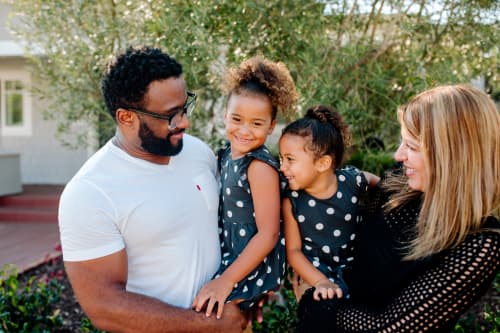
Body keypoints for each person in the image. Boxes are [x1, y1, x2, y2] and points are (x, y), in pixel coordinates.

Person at [58, 46, 247, 332]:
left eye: (186, 106)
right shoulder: (90, 193)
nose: (185, 122)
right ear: (126, 117)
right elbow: (104, 306)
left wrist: (250, 288)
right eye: (171, 115)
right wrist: (209, 325)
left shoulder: (198, 152)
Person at [294, 84, 500, 332]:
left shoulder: (479, 244)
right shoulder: (401, 187)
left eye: (412, 146)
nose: (398, 155)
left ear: (453, 155)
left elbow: (389, 328)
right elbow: (332, 218)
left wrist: (310, 299)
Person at [192, 55, 298, 319]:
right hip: (232, 255)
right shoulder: (227, 155)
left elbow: (268, 234)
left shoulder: (259, 167)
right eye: (237, 119)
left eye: (257, 123)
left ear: (272, 126)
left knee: (210, 316)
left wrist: (226, 280)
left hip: (251, 262)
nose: (245, 131)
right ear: (225, 115)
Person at [279, 105, 380, 303]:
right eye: (281, 158)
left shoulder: (352, 181)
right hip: (314, 272)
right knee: (319, 309)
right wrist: (320, 282)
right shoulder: (292, 201)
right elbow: (293, 251)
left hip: (357, 267)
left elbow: (385, 187)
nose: (282, 167)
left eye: (290, 159)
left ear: (323, 163)